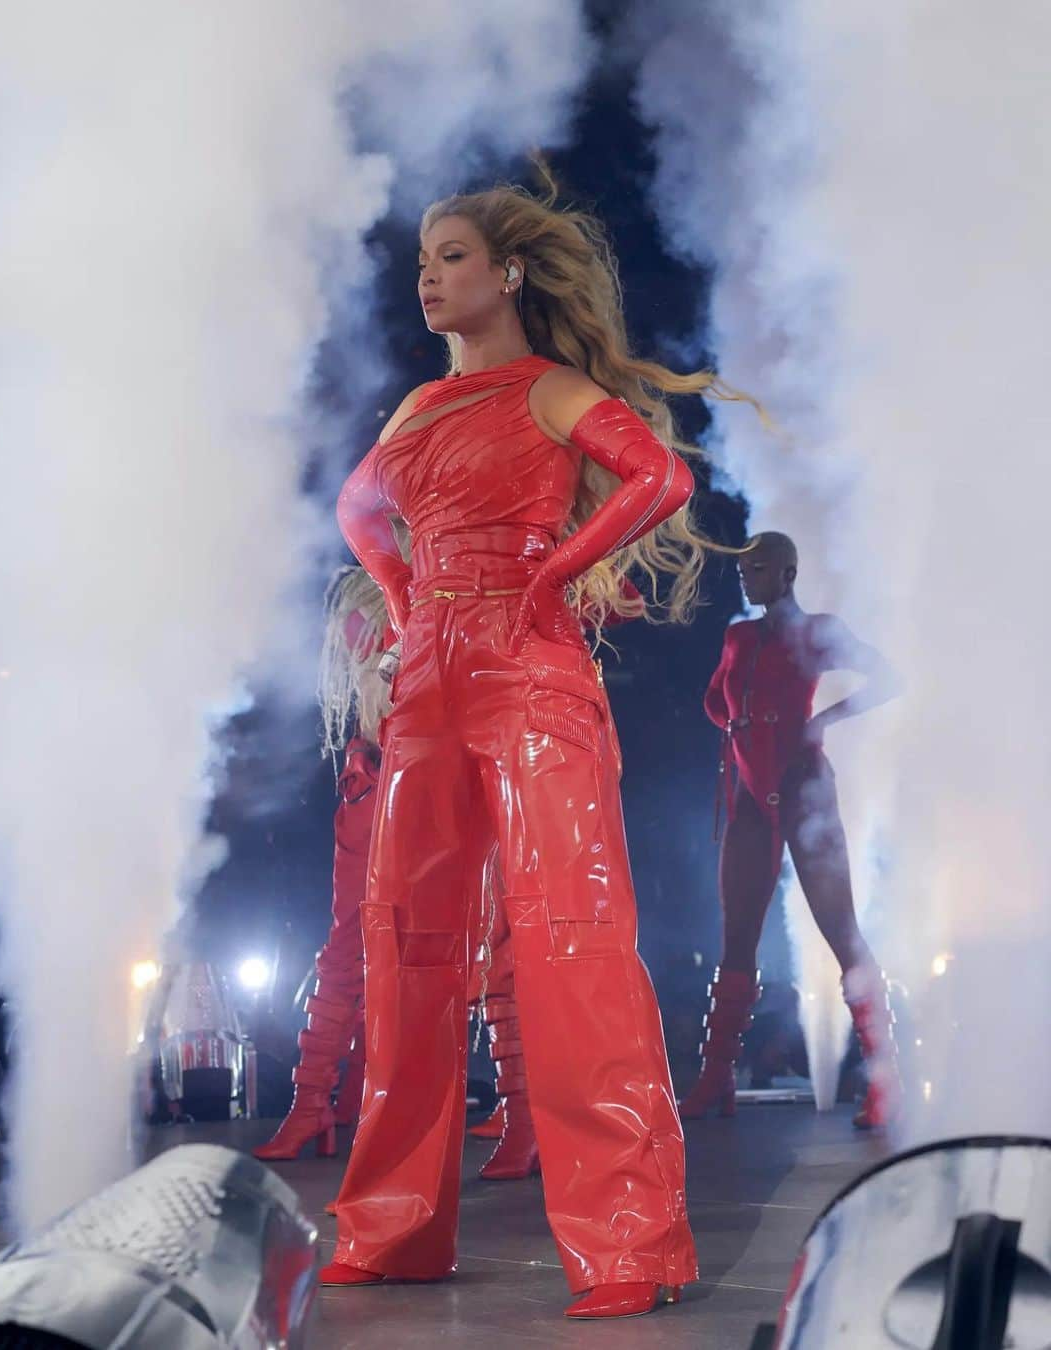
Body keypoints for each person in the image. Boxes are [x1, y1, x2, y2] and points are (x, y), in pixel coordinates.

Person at [322, 179, 754, 1320]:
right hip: (428, 685)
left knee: (573, 937)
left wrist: (553, 573)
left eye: (452, 256)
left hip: (531, 671)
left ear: (508, 274)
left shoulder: (551, 390)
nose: (430, 275)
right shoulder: (415, 409)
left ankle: (627, 1244)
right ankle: (392, 1228)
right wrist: (406, 594)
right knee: (407, 948)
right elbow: (359, 513)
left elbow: (663, 478)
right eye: (424, 258)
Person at [679, 531, 903, 1128]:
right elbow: (712, 701)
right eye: (743, 567)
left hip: (805, 791)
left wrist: (818, 722)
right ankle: (716, 1076)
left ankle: (887, 1082)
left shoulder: (816, 631)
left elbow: (887, 677)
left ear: (787, 573)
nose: (746, 576)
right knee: (737, 940)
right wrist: (742, 731)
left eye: (757, 567)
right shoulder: (738, 636)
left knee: (841, 930)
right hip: (751, 797)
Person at [251, 568, 386, 1160]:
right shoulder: (372, 601)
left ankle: (345, 1103)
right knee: (348, 953)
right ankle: (314, 1107)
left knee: (457, 954)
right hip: (383, 783)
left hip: (432, 784)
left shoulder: (451, 584)